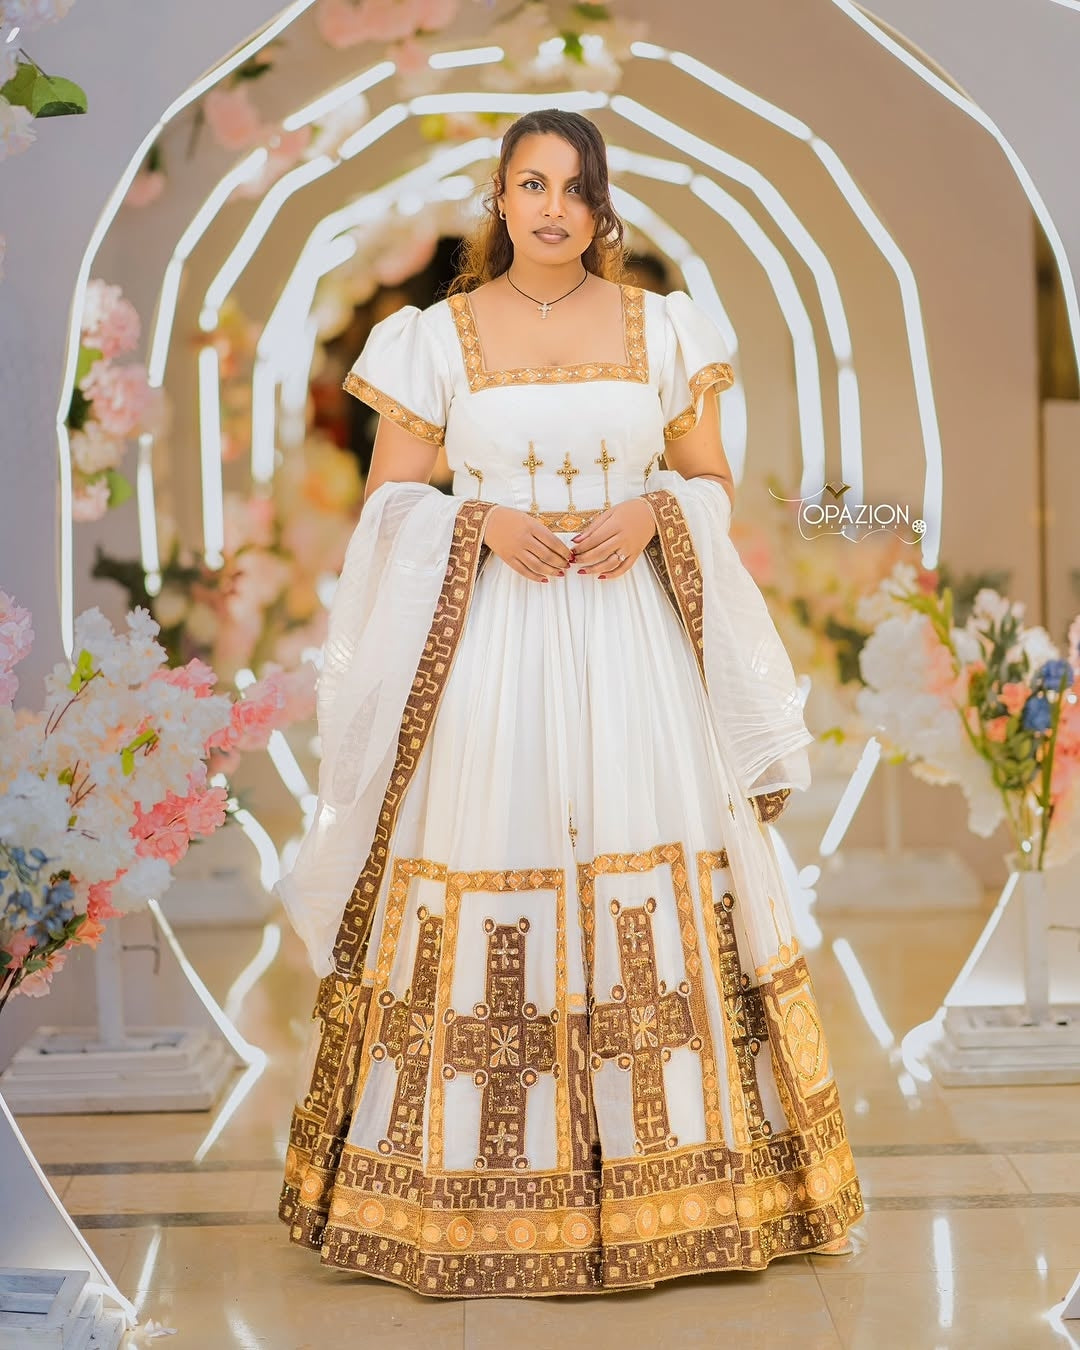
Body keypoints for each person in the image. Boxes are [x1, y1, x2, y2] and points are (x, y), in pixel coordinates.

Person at [276, 108, 864, 1298]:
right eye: (530, 185)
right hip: (493, 643)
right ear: (497, 199)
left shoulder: (665, 328)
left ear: (604, 208)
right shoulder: (431, 339)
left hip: (631, 635)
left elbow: (707, 483)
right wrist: (476, 521)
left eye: (575, 189)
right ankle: (473, 1196)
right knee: (498, 853)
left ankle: (690, 1185)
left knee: (653, 854)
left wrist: (656, 511)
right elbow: (387, 511)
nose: (552, 208)